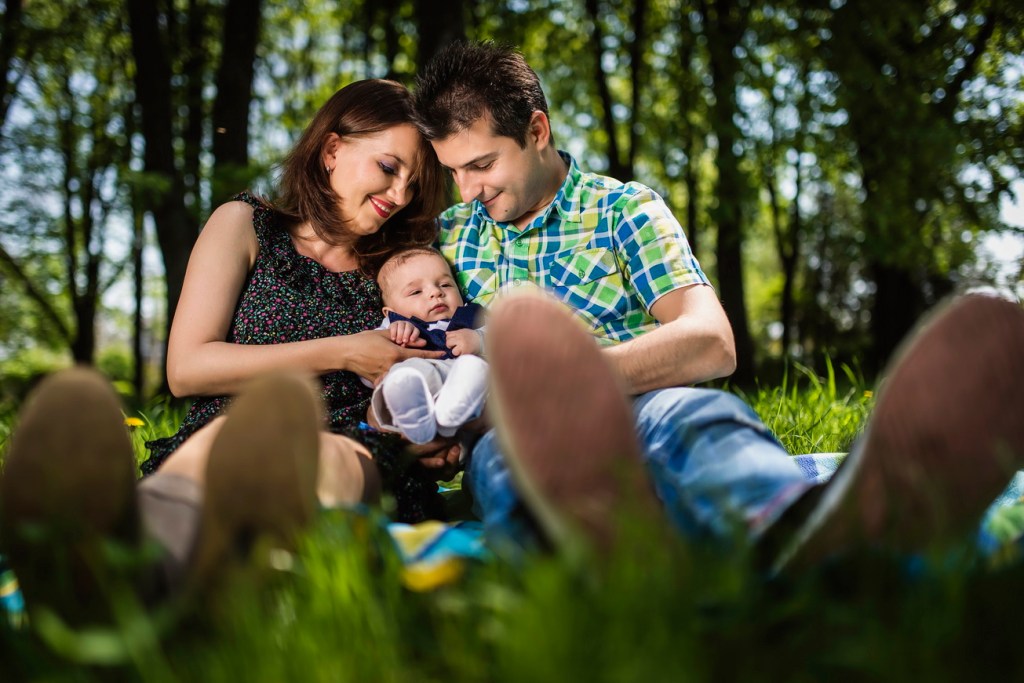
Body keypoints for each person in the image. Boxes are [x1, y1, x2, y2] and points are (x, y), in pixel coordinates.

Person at [412, 41, 1024, 567]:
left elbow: (711, 342)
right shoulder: (450, 237)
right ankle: (616, 576)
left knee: (697, 423)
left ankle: (806, 538)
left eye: (482, 165)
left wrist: (576, 382)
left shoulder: (623, 211)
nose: (468, 190)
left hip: (647, 405)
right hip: (516, 438)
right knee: (504, 470)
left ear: (537, 131)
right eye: (453, 172)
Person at [0, 79, 464, 622]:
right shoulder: (245, 224)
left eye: (414, 182)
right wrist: (344, 351)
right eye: (389, 167)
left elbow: (441, 366)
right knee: (226, 444)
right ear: (332, 150)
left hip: (354, 444)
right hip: (223, 433)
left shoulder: (405, 271)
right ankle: (108, 556)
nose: (401, 194)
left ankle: (142, 575)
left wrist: (434, 435)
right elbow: (187, 368)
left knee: (318, 456)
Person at [369, 246, 489, 445]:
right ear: (390, 312)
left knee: (475, 371)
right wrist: (394, 333)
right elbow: (368, 364)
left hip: (471, 404)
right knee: (407, 374)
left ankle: (450, 413)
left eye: (445, 284)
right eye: (416, 291)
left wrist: (478, 339)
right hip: (419, 386)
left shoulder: (473, 316)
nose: (436, 292)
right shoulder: (391, 328)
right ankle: (414, 416)